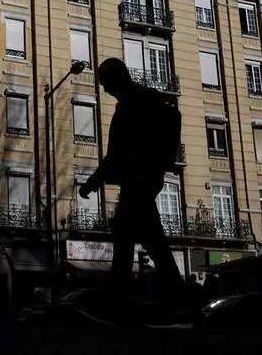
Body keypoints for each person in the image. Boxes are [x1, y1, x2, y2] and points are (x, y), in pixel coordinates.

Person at [77, 58, 188, 325]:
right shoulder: (131, 103)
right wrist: (96, 180)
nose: (103, 89)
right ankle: (168, 301)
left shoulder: (138, 102)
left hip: (140, 180)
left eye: (105, 83)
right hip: (138, 180)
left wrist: (96, 180)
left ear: (118, 76)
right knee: (138, 239)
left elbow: (116, 154)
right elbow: (114, 155)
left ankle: (120, 303)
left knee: (135, 240)